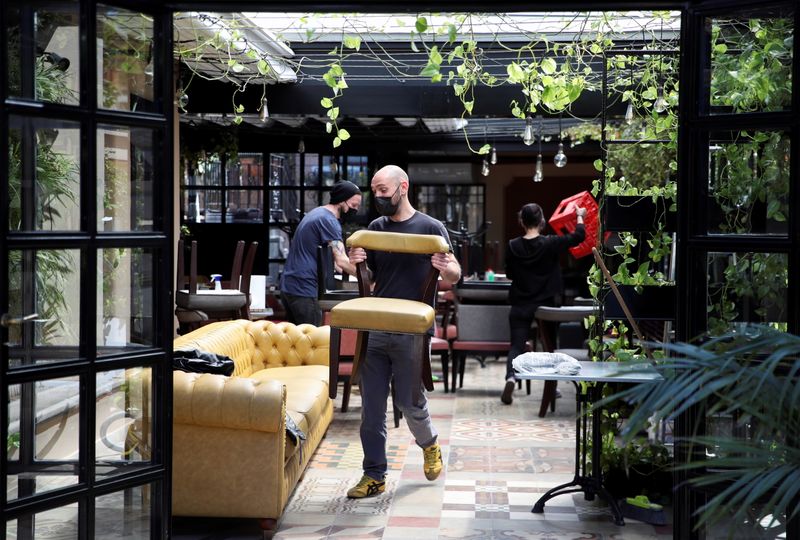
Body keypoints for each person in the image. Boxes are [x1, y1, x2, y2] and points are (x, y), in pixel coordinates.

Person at [345, 165, 461, 499]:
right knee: (372, 408)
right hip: (378, 326)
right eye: (374, 191)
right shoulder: (376, 228)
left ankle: (430, 444)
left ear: (402, 187)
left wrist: (446, 266)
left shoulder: (430, 227)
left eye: (383, 190)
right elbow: (370, 277)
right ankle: (374, 475)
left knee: (411, 403)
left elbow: (454, 273)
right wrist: (358, 262)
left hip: (414, 330)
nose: (377, 197)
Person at [501, 202, 586, 405]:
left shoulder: (512, 246)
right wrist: (580, 216)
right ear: (542, 221)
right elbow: (578, 237)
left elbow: (509, 274)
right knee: (550, 348)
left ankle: (511, 377)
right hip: (546, 307)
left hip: (521, 304)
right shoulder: (550, 243)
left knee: (516, 345)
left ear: (522, 221)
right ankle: (551, 389)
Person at [279, 180, 362, 326]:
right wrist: (366, 278)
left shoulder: (317, 213)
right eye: (353, 206)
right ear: (341, 201)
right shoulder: (329, 220)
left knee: (297, 344)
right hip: (304, 289)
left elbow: (338, 265)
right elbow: (342, 261)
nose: (355, 210)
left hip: (290, 287)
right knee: (312, 343)